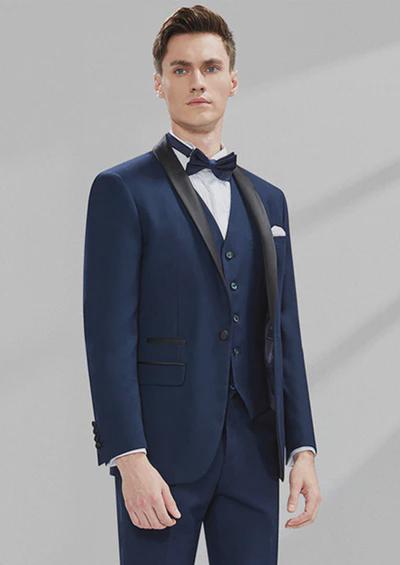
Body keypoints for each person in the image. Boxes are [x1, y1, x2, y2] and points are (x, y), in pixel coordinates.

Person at [83, 5, 321, 564]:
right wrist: (129, 457)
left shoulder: (269, 200)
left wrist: (302, 448)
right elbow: (108, 335)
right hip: (160, 457)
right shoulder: (122, 191)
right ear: (159, 83)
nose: (197, 81)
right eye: (181, 69)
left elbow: (282, 330)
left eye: (211, 67)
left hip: (255, 452)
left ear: (231, 80)